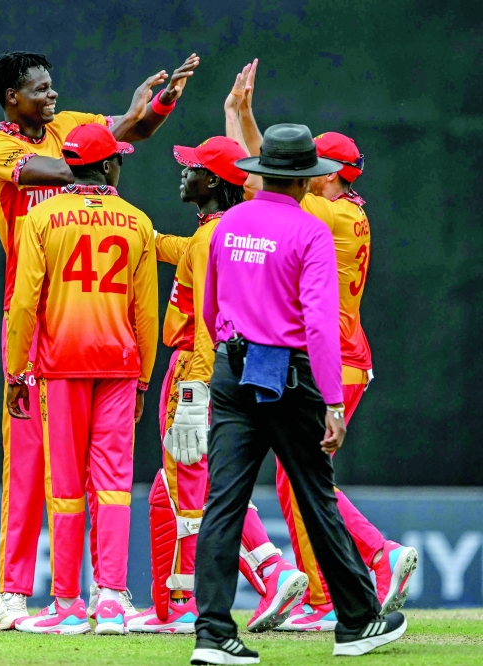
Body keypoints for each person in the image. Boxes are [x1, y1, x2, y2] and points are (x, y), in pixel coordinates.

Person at [0, 49, 198, 629]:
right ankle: (13, 590)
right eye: (41, 89)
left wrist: (156, 104)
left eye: (53, 87)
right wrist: (100, 150)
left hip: (87, 318)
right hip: (29, 317)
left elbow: (132, 133)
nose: (52, 97)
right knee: (28, 462)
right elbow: (71, 167)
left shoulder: (70, 126)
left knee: (97, 469)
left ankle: (102, 593)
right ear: (12, 98)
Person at [189, 124, 406, 664]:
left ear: (262, 173)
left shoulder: (231, 220)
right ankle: (357, 622)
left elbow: (210, 307)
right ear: (308, 181)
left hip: (232, 368)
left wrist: (228, 351)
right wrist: (332, 401)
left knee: (223, 503)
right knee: (316, 497)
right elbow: (319, 326)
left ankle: (213, 633)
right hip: (289, 375)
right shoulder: (310, 231)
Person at [227, 61, 418, 631]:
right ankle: (334, 587)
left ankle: (366, 562)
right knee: (299, 476)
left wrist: (241, 117)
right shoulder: (348, 211)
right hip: (349, 354)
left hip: (331, 359)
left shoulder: (325, 211)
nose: (308, 173)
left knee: (302, 479)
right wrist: (240, 116)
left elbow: (266, 180)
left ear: (332, 175)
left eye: (317, 168)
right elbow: (271, 173)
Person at [126, 137, 308, 634]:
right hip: (220, 366)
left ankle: (261, 572)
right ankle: (173, 601)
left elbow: (209, 320)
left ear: (213, 182)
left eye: (191, 168)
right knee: (175, 491)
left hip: (195, 367)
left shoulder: (214, 237)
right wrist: (131, 225)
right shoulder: (222, 230)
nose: (182, 173)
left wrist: (192, 392)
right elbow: (177, 248)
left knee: (194, 488)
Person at [5, 123, 158, 635]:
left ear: (70, 165)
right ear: (108, 165)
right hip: (119, 365)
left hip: (61, 365)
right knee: (114, 484)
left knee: (65, 484)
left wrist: (15, 370)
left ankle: (67, 602)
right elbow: (146, 314)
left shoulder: (42, 217)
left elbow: (25, 301)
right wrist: (143, 379)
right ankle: (111, 598)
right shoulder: (137, 221)